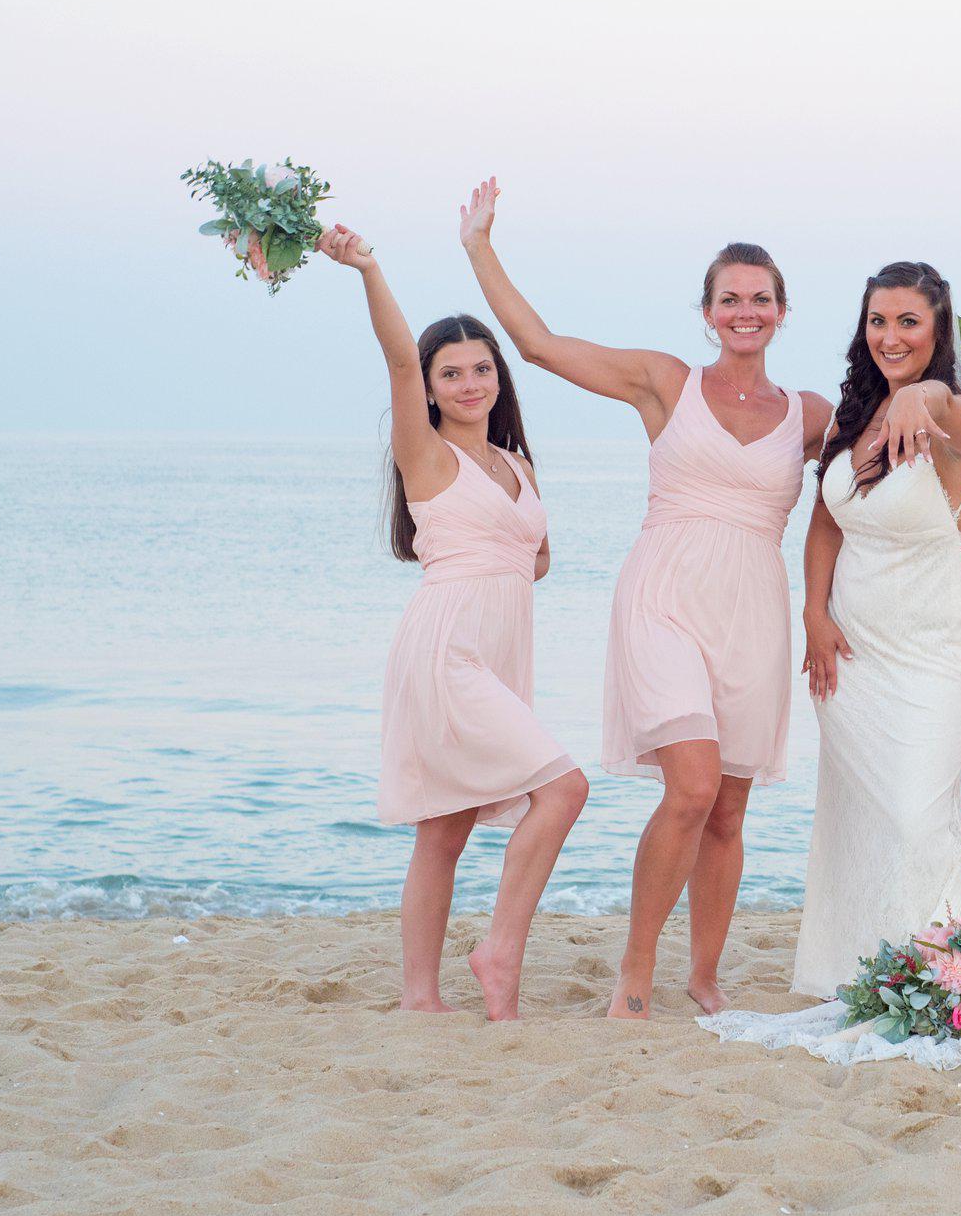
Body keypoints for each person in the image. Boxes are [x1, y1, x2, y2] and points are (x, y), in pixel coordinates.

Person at [456, 179, 831, 1018]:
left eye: (760, 299)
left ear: (782, 311)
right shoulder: (666, 382)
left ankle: (704, 974)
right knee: (692, 785)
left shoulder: (808, 413)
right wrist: (480, 246)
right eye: (730, 299)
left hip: (754, 608)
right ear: (707, 312)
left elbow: (864, 489)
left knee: (728, 809)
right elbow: (542, 345)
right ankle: (635, 968)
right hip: (664, 592)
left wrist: (822, 609)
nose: (746, 311)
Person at [318, 223, 589, 1022]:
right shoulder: (426, 453)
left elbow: (533, 558)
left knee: (445, 829)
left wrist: (505, 563)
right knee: (564, 788)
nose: (470, 383)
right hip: (447, 650)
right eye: (452, 373)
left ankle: (420, 998)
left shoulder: (520, 464)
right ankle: (498, 951)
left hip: (496, 650)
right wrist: (369, 267)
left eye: (482, 369)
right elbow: (398, 357)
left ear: (499, 379)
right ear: (431, 387)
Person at [793, 262, 961, 997]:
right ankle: (863, 974)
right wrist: (813, 613)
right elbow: (824, 521)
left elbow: (960, 408)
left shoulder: (959, 420)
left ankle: (942, 978)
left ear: (939, 331)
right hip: (852, 650)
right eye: (878, 320)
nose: (890, 335)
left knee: (918, 814)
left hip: (933, 647)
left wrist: (924, 390)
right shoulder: (852, 417)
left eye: (909, 321)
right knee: (860, 819)